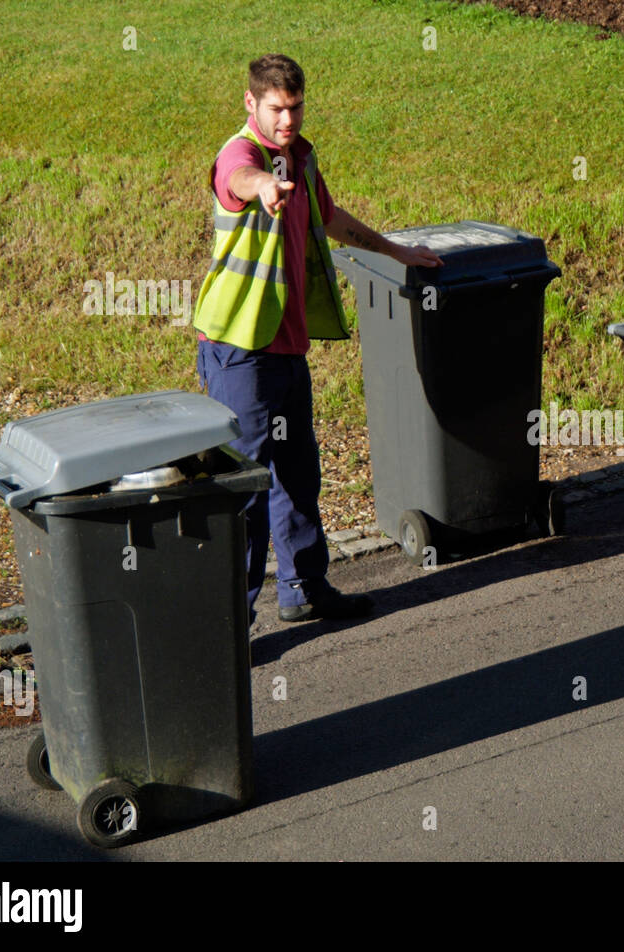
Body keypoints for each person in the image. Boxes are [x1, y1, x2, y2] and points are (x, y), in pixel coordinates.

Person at [193, 54, 442, 626]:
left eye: (296, 107)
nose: (288, 119)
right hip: (238, 349)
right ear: (251, 104)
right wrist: (262, 188)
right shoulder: (243, 154)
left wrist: (398, 252)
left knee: (298, 474)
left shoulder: (301, 160)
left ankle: (304, 588)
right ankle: (230, 624)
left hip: (285, 347)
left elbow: (332, 219)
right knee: (247, 489)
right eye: (277, 108)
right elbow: (237, 177)